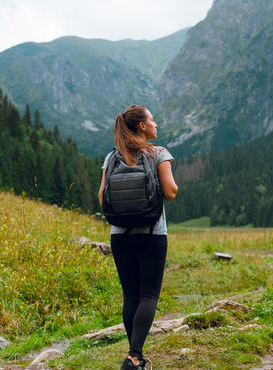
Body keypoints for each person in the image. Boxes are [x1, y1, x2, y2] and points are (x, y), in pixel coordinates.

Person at [98, 105, 178, 370]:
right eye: (153, 120)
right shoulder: (158, 153)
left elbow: (101, 197)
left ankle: (135, 356)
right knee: (149, 295)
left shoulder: (112, 157)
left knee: (130, 296)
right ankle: (134, 357)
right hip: (152, 233)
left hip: (119, 235)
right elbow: (170, 192)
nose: (157, 124)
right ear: (142, 126)